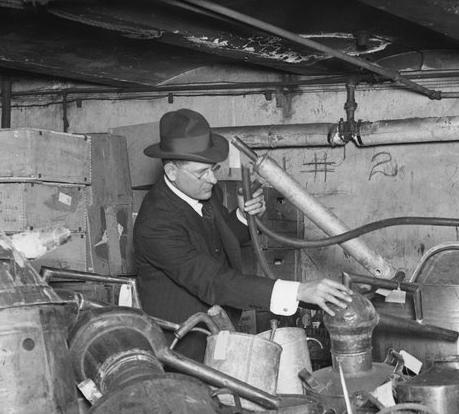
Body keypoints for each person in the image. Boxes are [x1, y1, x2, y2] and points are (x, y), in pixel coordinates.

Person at [132, 108, 353, 361]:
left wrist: (241, 215)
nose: (213, 179)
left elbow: (215, 241)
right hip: (182, 346)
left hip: (218, 329)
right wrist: (299, 291)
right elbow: (212, 280)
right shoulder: (155, 225)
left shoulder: (202, 191)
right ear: (171, 172)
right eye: (201, 173)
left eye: (213, 168)